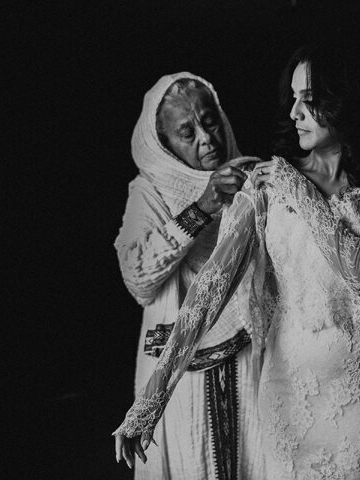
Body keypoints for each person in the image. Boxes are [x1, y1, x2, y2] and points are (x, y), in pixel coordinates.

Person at [115, 45, 360, 479]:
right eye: (293, 98)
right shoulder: (266, 186)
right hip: (289, 403)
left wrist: (300, 192)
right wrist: (150, 401)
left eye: (309, 99)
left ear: (345, 103)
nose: (295, 112)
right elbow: (209, 292)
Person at [114, 72, 263, 479]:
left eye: (210, 121)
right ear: (164, 144)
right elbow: (139, 278)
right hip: (178, 374)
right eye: (187, 132)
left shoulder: (251, 177)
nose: (207, 140)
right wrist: (202, 207)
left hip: (250, 354)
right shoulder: (149, 192)